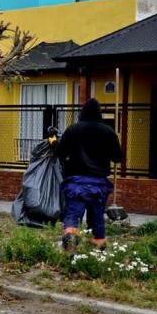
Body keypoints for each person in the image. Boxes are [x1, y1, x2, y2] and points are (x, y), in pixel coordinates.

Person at [56, 98, 123, 252]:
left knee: (73, 215)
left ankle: (71, 241)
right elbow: (118, 158)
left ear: (82, 113)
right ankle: (98, 246)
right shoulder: (108, 131)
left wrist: (55, 143)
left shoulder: (73, 129)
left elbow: (61, 152)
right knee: (98, 217)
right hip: (99, 184)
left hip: (76, 182)